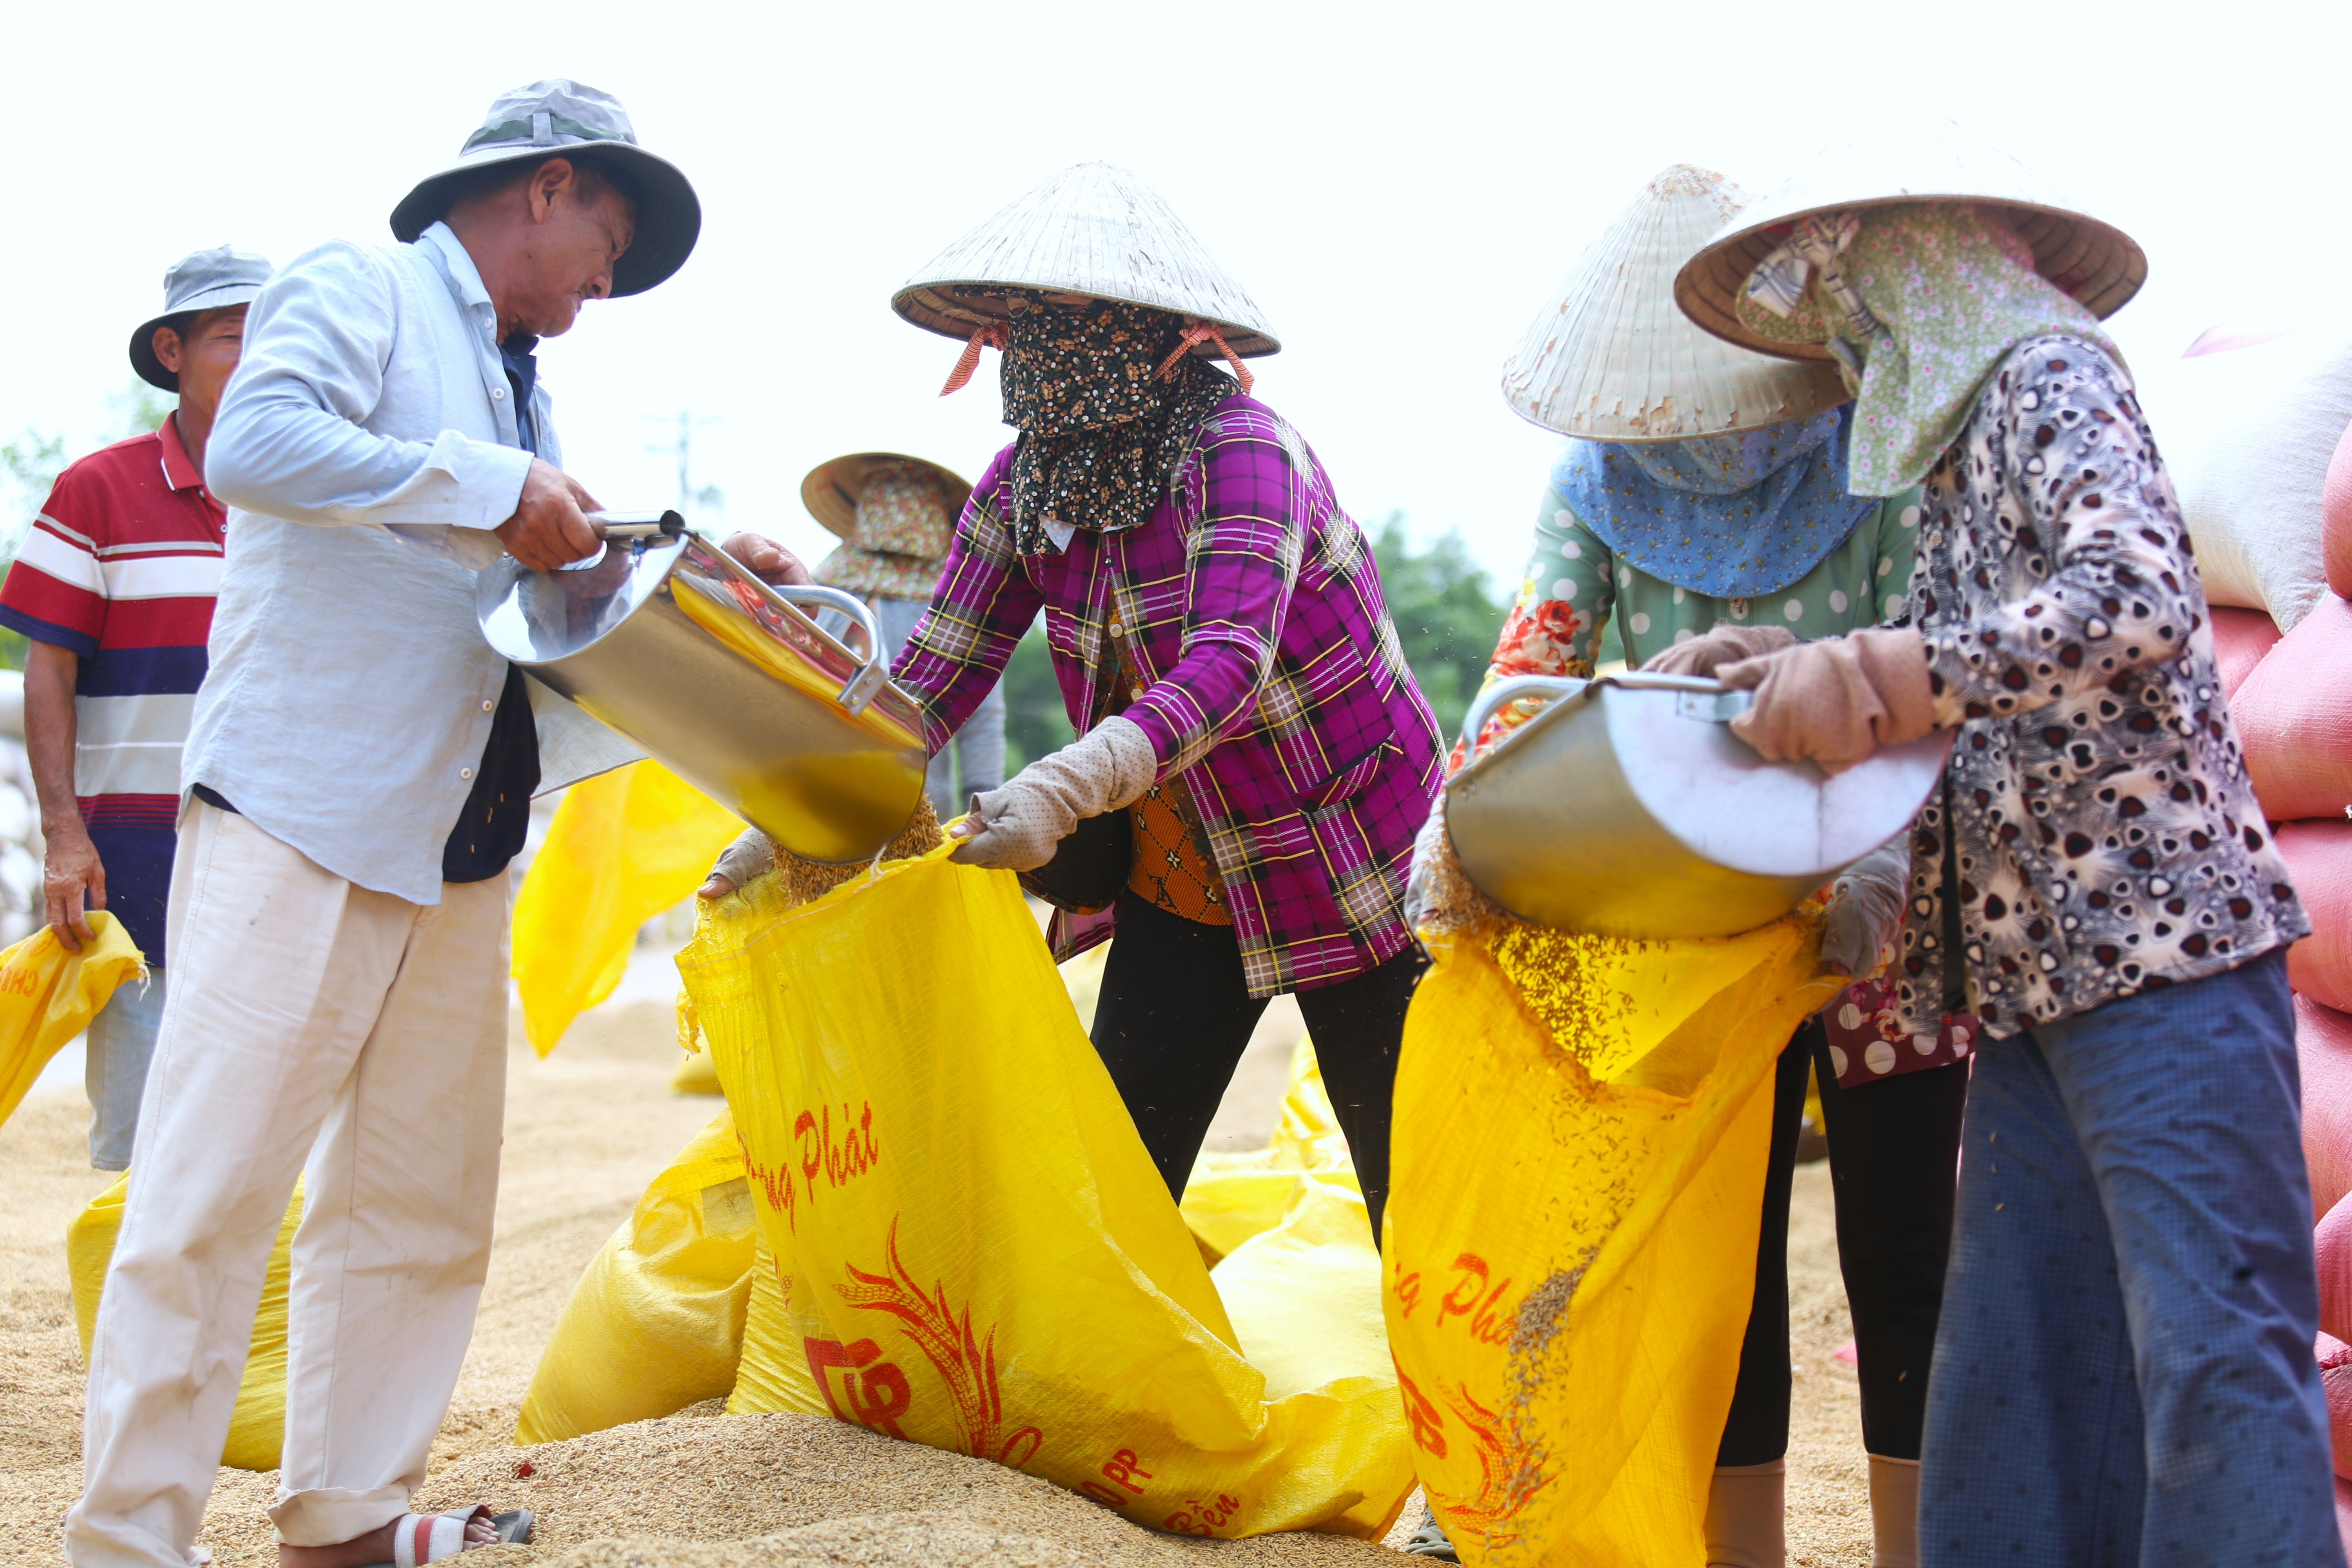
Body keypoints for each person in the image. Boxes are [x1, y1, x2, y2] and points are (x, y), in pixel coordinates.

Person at [66, 81, 804, 1568]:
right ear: (546, 185)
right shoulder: (363, 286)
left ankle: (345, 1517)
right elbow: (256, 447)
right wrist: (495, 485)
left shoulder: (522, 390)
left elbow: (520, 590)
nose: (607, 282)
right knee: (209, 1192)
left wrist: (695, 574)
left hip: (458, 830)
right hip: (303, 809)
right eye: (608, 241)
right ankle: (130, 1541)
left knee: (418, 1198)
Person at [1674, 122, 2338, 1566]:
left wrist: (1879, 672)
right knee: (2017, 1384)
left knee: (2213, 1363)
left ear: (1910, 261)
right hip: (2036, 977)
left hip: (2162, 954)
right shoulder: (1965, 444)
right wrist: (1786, 666)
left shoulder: (2053, 377)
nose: (1836, 332)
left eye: (1839, 290)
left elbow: (2136, 597)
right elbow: (1981, 665)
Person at [1412, 166, 1968, 1568]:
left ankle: (1915, 1548)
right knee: (1720, 1257)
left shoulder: (1874, 464)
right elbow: (1528, 677)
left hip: (1884, 902)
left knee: (1906, 1245)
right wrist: (1463, 819)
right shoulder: (1595, 486)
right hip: (1690, 921)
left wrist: (1877, 873)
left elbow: (1926, 678)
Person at [884, 163, 1442, 1238]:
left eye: (1076, 321)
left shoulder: (1243, 452)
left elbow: (1227, 663)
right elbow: (934, 675)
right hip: (1183, 868)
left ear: (1159, 332)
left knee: (1416, 1198)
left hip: (1347, 854)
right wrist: (805, 801)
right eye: (1025, 324)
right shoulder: (1020, 485)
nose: (1045, 349)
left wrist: (1063, 785)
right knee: (1117, 1199)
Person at [0, 243, 269, 1172]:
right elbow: (47, 672)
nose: (262, 359)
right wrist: (63, 836)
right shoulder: (98, 490)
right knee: (139, 1135)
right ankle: (131, 1276)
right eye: (234, 337)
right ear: (171, 351)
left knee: (265, 1133)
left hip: (281, 857)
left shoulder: (315, 500)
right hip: (136, 862)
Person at [802, 452, 1004, 813]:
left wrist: (983, 804)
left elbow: (981, 715)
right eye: (889, 488)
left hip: (916, 803)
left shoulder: (958, 605)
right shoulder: (826, 595)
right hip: (812, 788)